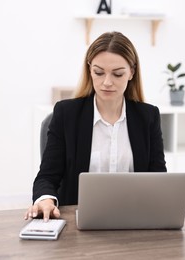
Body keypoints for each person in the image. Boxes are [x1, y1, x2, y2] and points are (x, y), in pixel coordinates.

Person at [24, 31, 167, 221]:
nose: (107, 82)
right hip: (78, 223)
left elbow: (158, 179)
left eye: (117, 74)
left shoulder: (148, 116)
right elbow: (47, 177)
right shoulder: (67, 114)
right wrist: (46, 200)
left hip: (134, 220)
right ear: (89, 70)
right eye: (99, 73)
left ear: (131, 72)